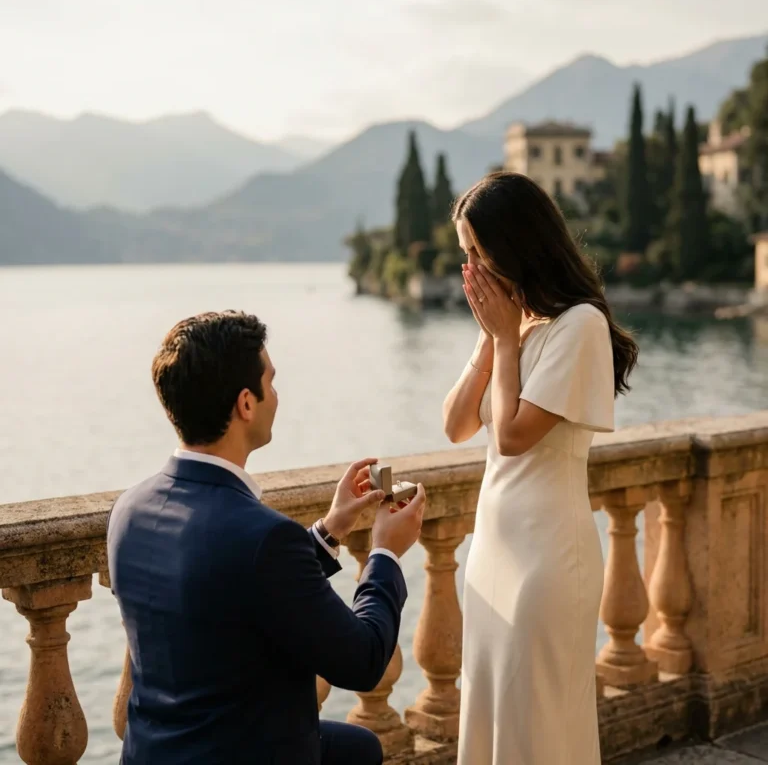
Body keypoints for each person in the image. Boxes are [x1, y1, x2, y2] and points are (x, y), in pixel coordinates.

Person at [107, 310, 426, 765]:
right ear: (246, 404)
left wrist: (330, 529)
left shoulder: (129, 510)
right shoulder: (264, 538)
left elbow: (231, 587)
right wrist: (385, 553)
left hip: (155, 752)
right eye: (271, 382)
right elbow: (363, 660)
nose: (277, 395)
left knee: (358, 748)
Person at [443, 173, 639, 765]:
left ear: (514, 243)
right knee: (491, 714)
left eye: (477, 252)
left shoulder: (579, 325)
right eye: (464, 255)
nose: (471, 269)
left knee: (540, 724)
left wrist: (504, 341)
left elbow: (512, 436)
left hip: (548, 562)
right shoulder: (512, 325)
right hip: (493, 556)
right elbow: (455, 426)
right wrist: (490, 338)